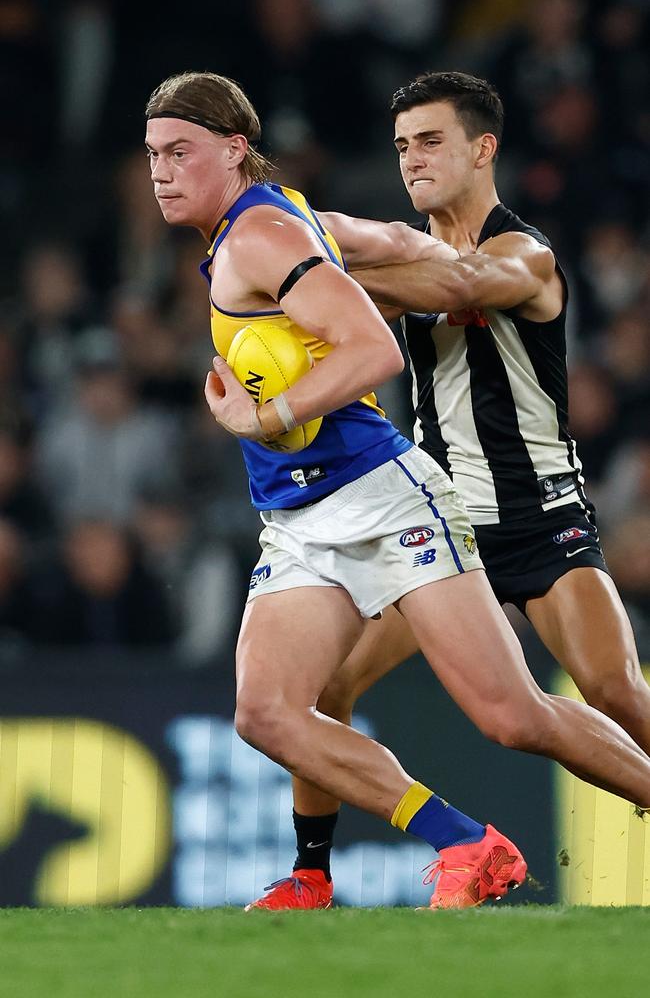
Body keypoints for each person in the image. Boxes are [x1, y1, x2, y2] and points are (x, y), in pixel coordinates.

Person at [145, 71, 650, 913]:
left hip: (522, 513)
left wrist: (311, 296)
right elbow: (374, 235)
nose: (411, 159)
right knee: (294, 703)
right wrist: (328, 256)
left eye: (430, 142)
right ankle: (322, 872)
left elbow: (451, 289)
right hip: (370, 504)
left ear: (482, 150)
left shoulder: (525, 252)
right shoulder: (284, 230)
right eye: (402, 145)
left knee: (572, 701)